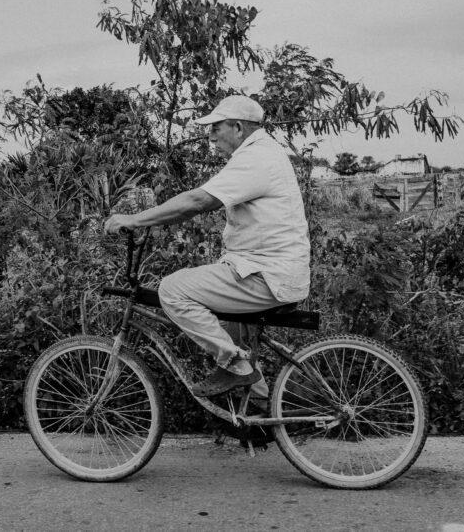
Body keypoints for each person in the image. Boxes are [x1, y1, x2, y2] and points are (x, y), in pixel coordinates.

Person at [103, 95, 311, 397]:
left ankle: (235, 366)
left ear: (238, 127)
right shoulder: (261, 154)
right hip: (265, 271)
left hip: (267, 277)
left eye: (216, 127)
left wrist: (136, 219)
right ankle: (260, 408)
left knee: (172, 289)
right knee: (227, 327)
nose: (210, 135)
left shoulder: (256, 159)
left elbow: (196, 202)